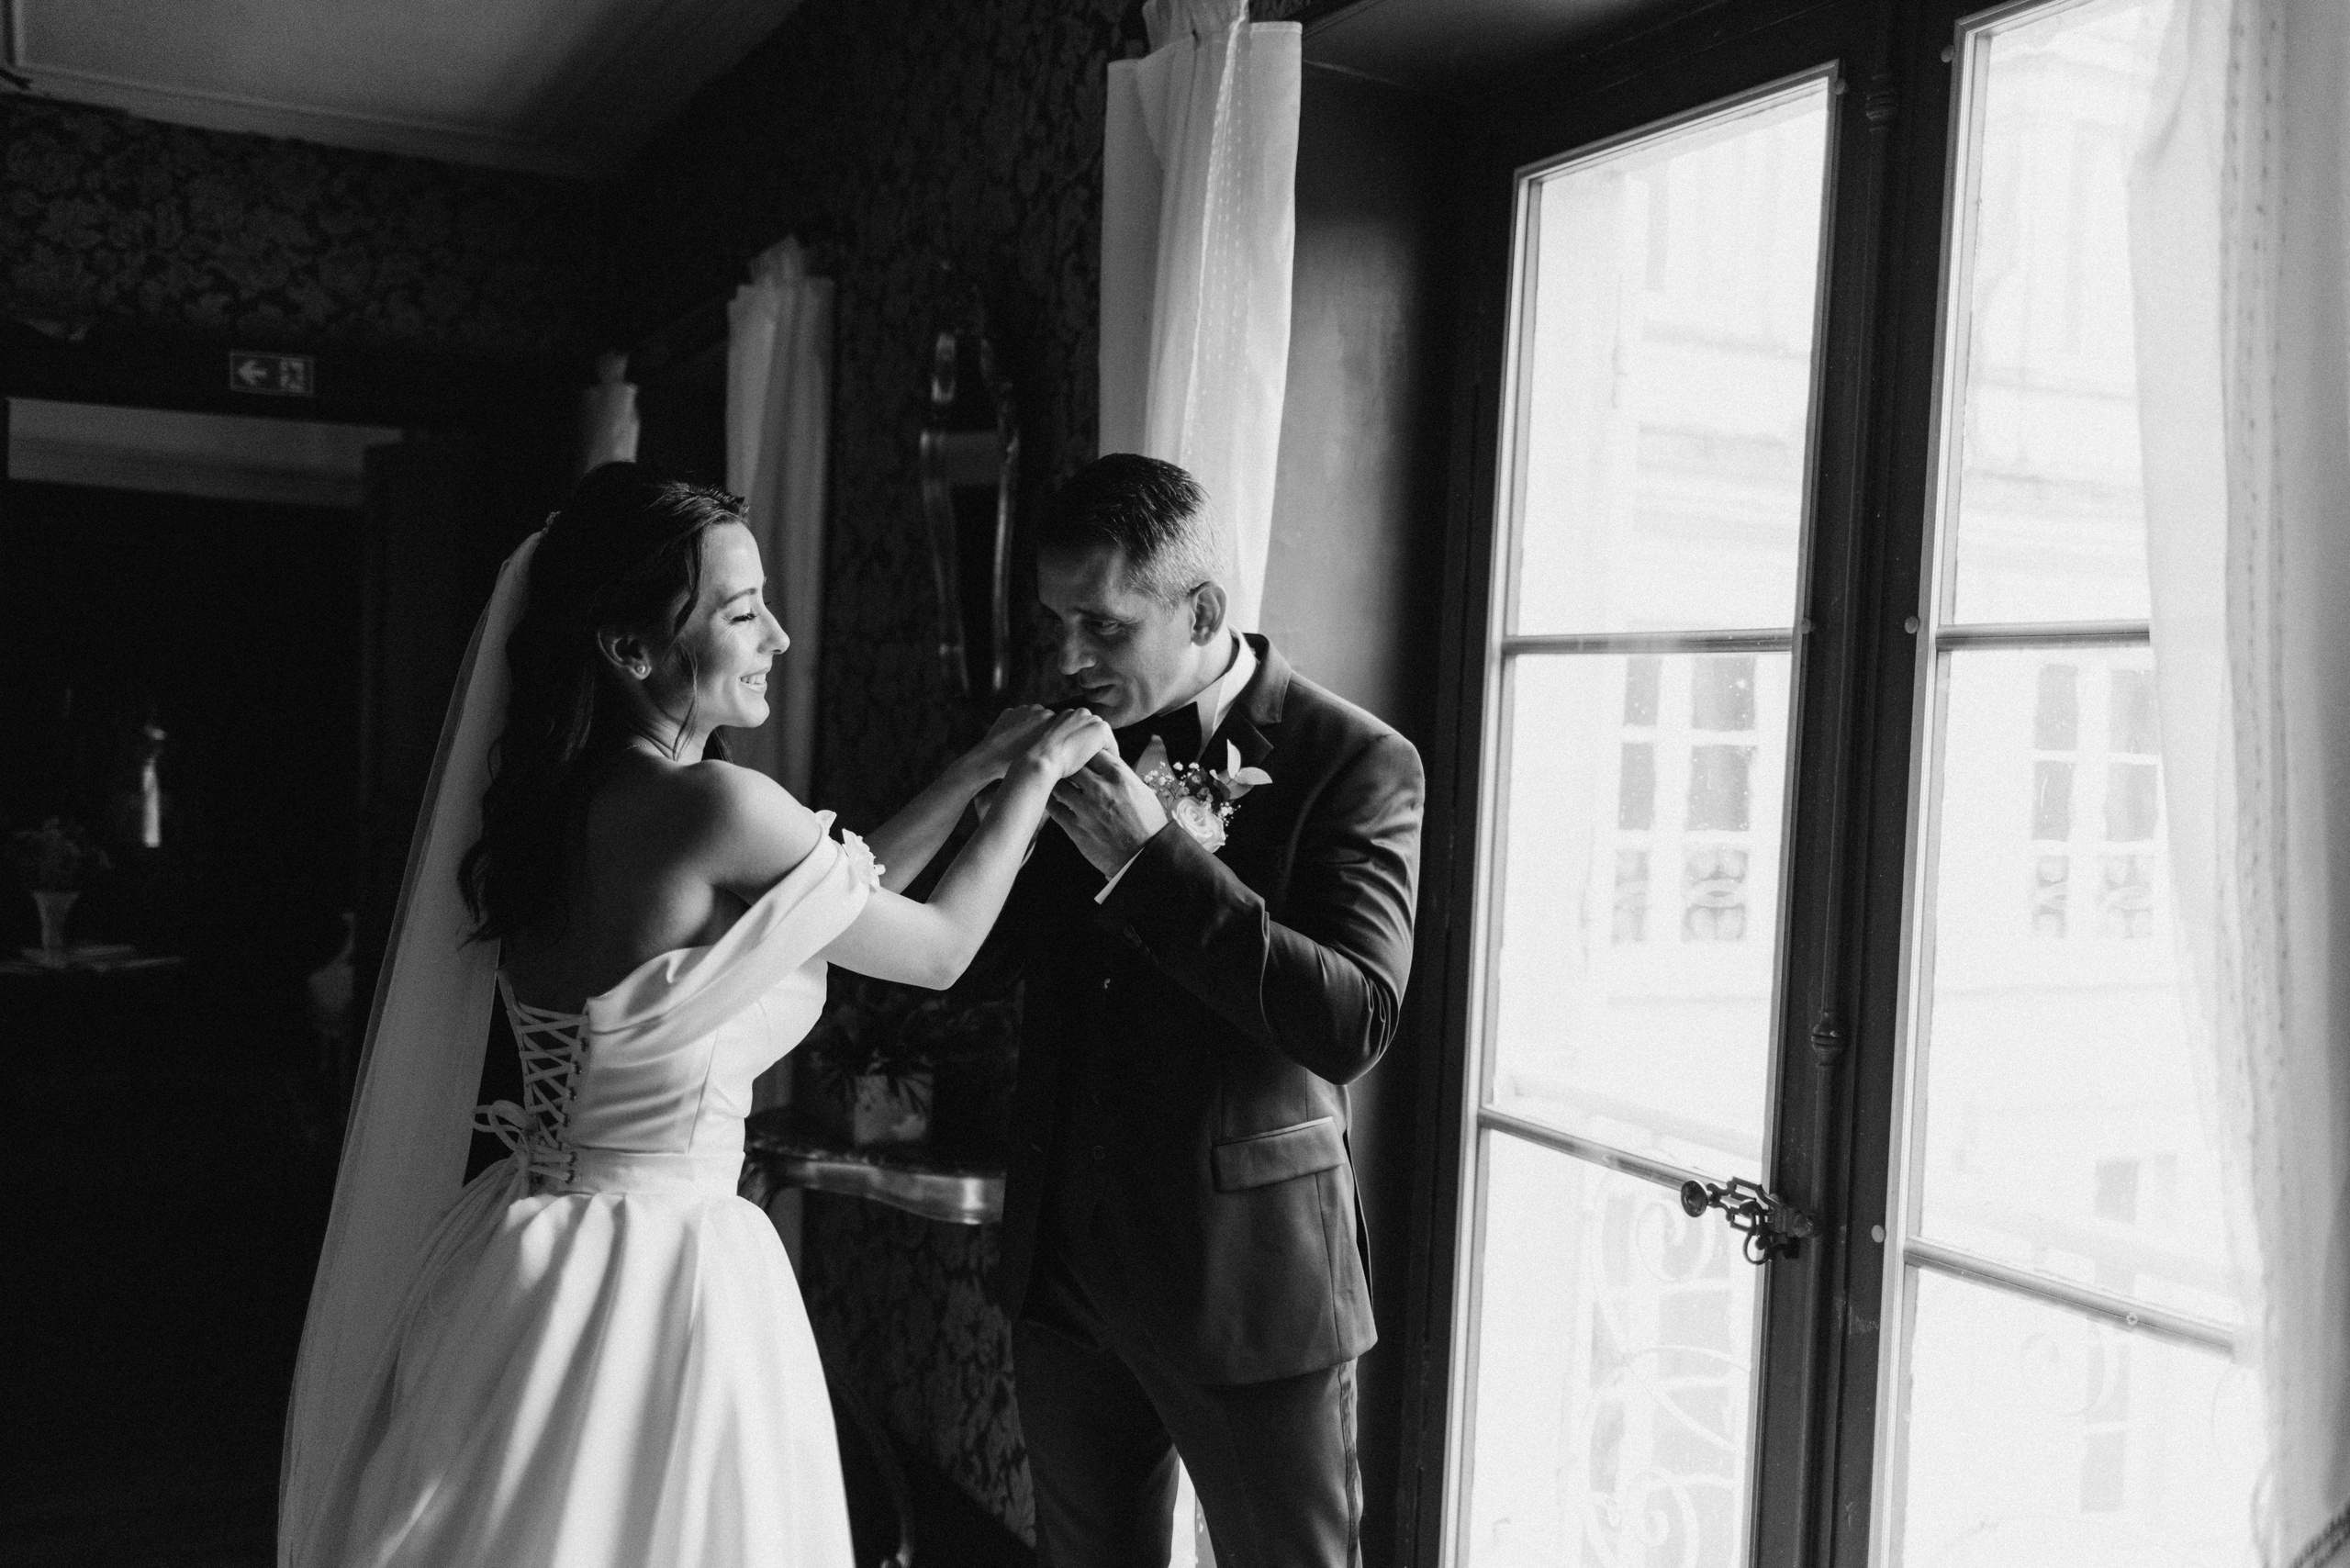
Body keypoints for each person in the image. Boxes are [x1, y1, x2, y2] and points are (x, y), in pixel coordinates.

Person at [278, 464, 1110, 1568]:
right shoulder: (716, 804)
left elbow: (826, 903)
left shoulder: (567, 803)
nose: (776, 634)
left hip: (525, 1244)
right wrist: (1039, 776)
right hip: (663, 1261)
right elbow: (940, 948)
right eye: (739, 610)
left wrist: (971, 772)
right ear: (632, 650)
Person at [995, 454, 1426, 1568]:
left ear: (1202, 611)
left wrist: (1152, 860)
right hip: (1069, 1272)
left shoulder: (1357, 763)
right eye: (1054, 622)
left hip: (1250, 1280)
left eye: (1100, 625)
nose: (1067, 657)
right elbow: (994, 960)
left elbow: (1352, 1018)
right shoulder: (1058, 736)